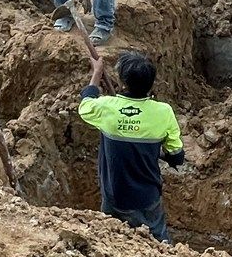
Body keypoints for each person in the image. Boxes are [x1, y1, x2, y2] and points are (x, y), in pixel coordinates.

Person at [76, 49, 183, 241]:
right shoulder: (163, 112)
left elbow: (85, 103)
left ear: (123, 82)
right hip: (147, 198)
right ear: (151, 83)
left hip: (114, 196)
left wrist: (96, 74)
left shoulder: (107, 107)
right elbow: (177, 156)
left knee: (112, 241)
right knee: (159, 243)